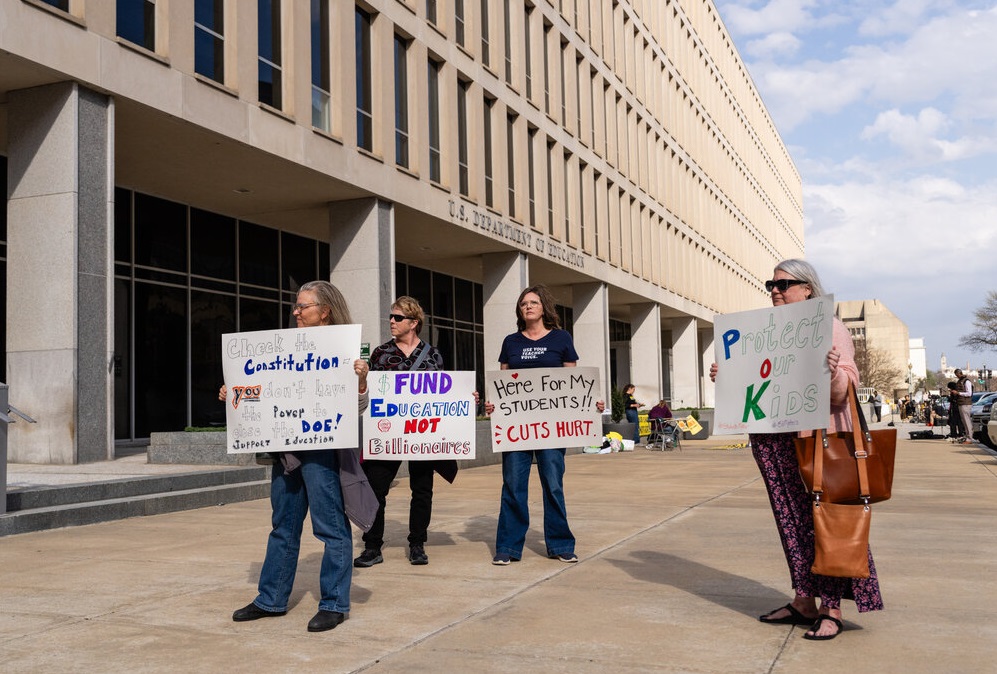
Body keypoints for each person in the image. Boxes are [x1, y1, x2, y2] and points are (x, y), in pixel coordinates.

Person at [709, 259, 883, 641]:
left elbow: (846, 389)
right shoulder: (762, 332)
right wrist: (726, 376)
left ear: (807, 289)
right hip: (771, 439)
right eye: (770, 284)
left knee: (825, 520)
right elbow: (752, 384)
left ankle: (831, 608)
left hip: (815, 439)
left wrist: (833, 371)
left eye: (783, 284)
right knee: (789, 517)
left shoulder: (829, 327)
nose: (775, 290)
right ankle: (804, 599)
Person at [224, 280, 370, 633]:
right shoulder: (280, 349)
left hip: (322, 451)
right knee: (283, 526)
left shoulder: (345, 350)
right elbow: (263, 393)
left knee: (330, 527)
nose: (296, 311)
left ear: (325, 311)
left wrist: (361, 382)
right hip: (287, 451)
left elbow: (358, 407)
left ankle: (334, 603)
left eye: (303, 306)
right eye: (296, 305)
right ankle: (270, 599)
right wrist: (235, 392)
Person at [484, 284, 604, 566]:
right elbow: (502, 385)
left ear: (544, 307)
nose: (528, 307)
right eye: (523, 303)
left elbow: (574, 385)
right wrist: (493, 405)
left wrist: (591, 404)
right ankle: (508, 547)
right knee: (513, 485)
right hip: (516, 429)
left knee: (553, 485)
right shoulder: (511, 342)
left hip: (552, 429)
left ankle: (561, 544)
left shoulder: (561, 338)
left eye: (533, 302)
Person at [354, 296, 457, 568]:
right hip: (387, 433)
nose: (391, 321)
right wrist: (362, 380)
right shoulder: (380, 353)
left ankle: (417, 544)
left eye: (398, 317)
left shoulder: (433, 355)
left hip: (422, 434)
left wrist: (466, 397)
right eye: (391, 316)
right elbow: (369, 393)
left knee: (422, 490)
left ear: (413, 322)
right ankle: (372, 546)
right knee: (376, 489)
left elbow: (444, 393)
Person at [953, 369, 973, 443]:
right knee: (964, 421)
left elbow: (969, 393)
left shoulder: (966, 381)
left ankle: (969, 438)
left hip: (966, 403)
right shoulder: (960, 381)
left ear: (960, 373)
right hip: (961, 403)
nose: (957, 376)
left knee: (967, 421)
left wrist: (958, 393)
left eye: (957, 375)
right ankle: (967, 436)